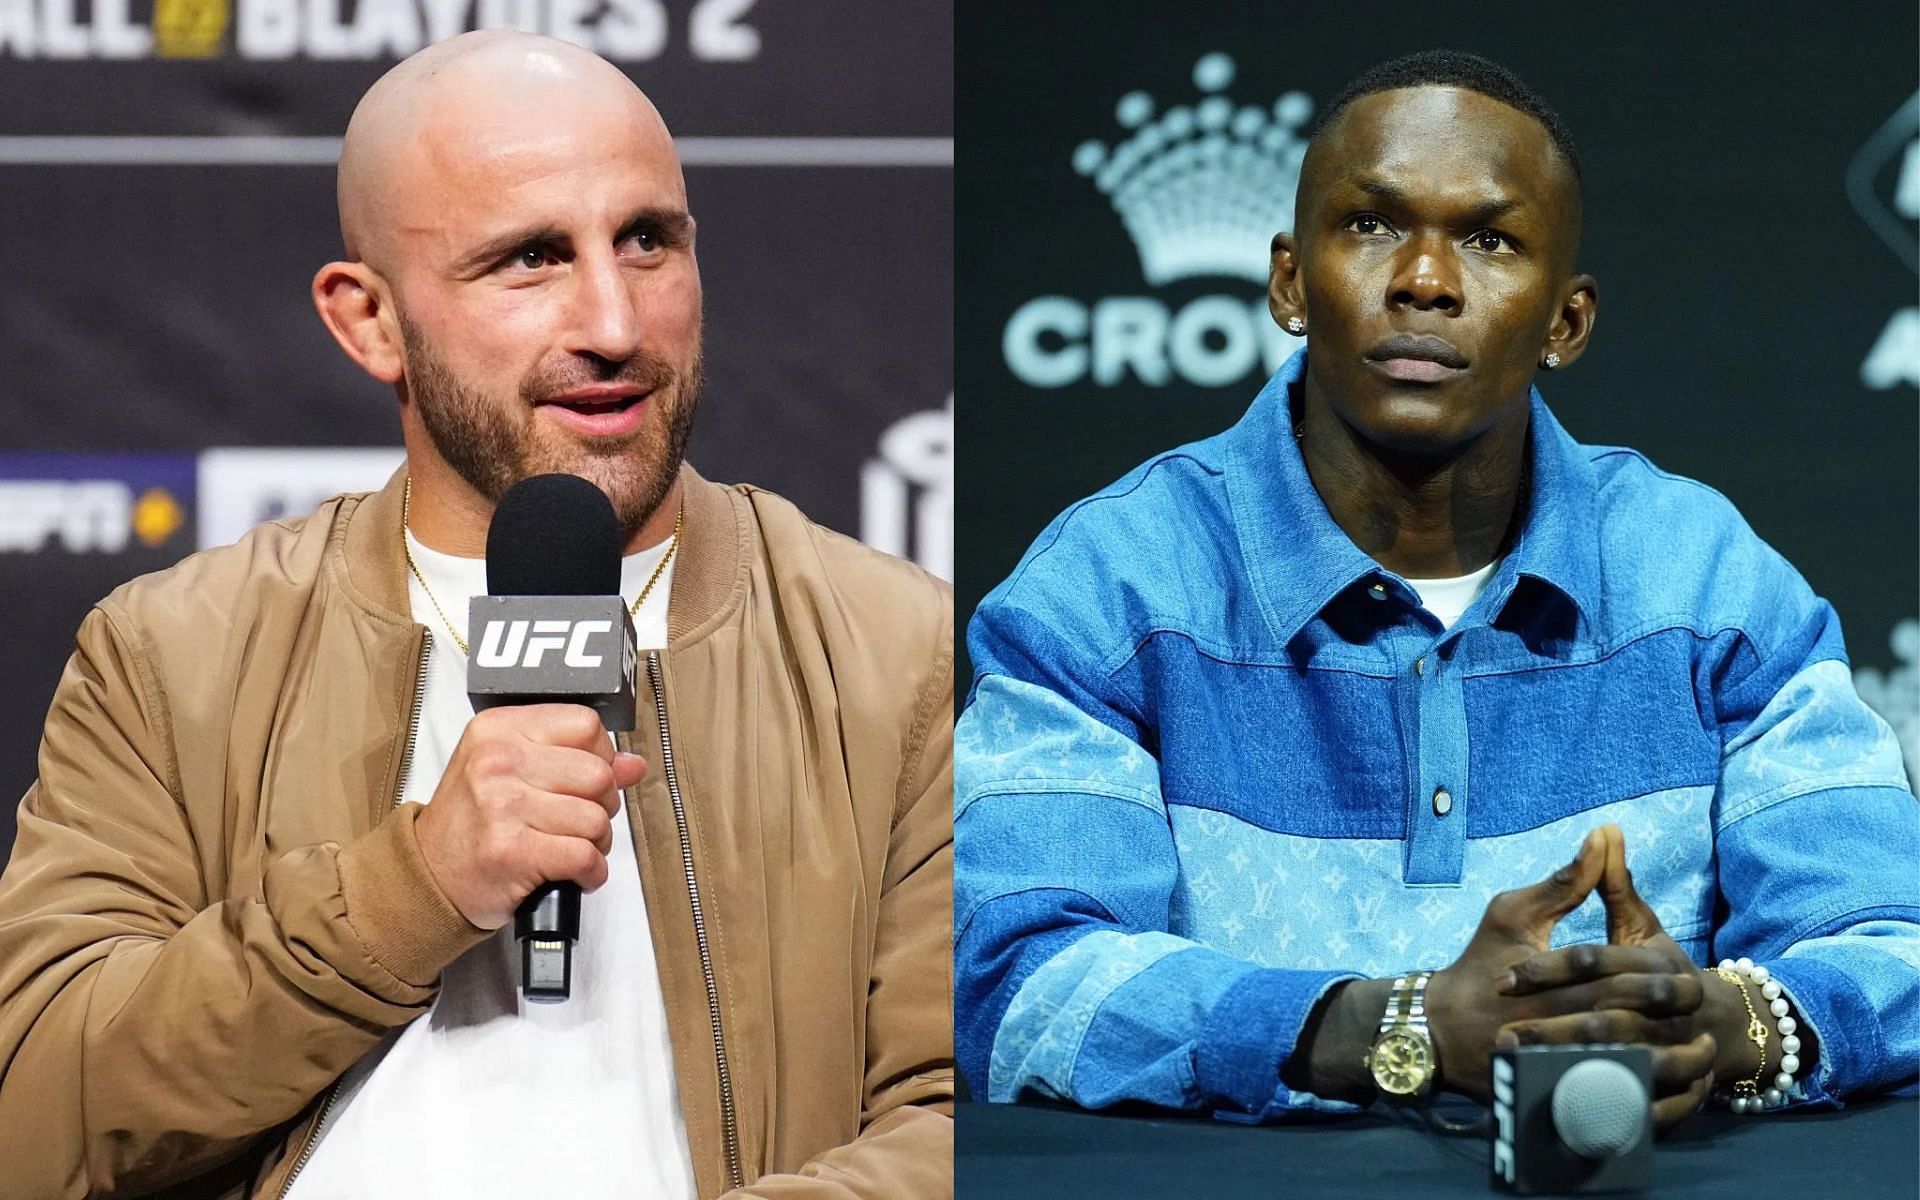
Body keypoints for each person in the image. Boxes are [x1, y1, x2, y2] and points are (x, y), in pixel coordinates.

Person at [0, 31, 953, 1200]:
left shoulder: (896, 650)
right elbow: (36, 1119)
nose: (615, 320)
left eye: (648, 241)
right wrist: (413, 887)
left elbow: (959, 1121)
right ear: (370, 323)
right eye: (530, 259)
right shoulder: (172, 653)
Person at [955, 50, 1917, 1130]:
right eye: (1370, 224)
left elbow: (1891, 942)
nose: (1423, 279)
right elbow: (1021, 984)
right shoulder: (1109, 588)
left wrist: (1726, 1024)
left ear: (1568, 322)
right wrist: (1398, 1027)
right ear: (1287, 281)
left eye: (1490, 240)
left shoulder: (1707, 579)